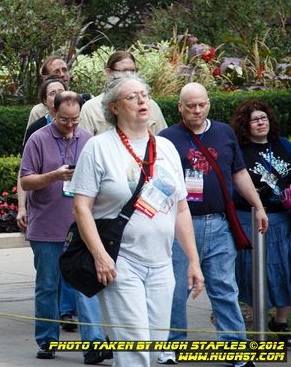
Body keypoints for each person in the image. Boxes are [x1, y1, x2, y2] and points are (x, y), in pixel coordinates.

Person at [71, 75, 204, 367]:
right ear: (114, 107)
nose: (142, 101)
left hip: (161, 263)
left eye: (144, 94)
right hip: (121, 262)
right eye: (132, 97)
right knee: (133, 348)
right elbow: (81, 208)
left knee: (154, 345)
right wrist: (100, 256)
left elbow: (180, 208)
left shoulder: (166, 148)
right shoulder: (98, 147)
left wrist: (193, 260)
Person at [159, 83, 268, 367]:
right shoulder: (166, 138)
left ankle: (235, 349)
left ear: (208, 104)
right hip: (181, 227)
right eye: (190, 106)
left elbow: (239, 172)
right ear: (180, 107)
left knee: (224, 287)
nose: (196, 110)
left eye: (201, 105)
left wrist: (258, 205)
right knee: (176, 288)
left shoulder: (224, 132)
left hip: (219, 225)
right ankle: (171, 345)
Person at [20, 91, 109, 364]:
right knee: (47, 286)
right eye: (64, 120)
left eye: (75, 120)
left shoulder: (89, 140)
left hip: (81, 227)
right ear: (52, 113)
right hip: (46, 227)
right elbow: (25, 182)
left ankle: (94, 343)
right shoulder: (38, 139)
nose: (70, 125)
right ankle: (47, 340)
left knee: (86, 285)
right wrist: (53, 176)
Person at [230, 99, 291, 346]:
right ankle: (259, 324)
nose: (260, 122)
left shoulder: (284, 145)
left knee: (285, 270)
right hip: (251, 220)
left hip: (282, 220)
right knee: (254, 272)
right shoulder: (240, 151)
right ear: (246, 124)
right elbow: (233, 186)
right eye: (255, 119)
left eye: (263, 117)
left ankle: (280, 321)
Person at [79, 51, 167, 135]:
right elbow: (83, 144)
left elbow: (162, 139)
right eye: (123, 71)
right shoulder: (91, 108)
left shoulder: (150, 105)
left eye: (133, 71)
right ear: (109, 72)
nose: (129, 76)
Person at [26, 56, 71, 127]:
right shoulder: (38, 111)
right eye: (56, 72)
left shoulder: (82, 103)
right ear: (45, 78)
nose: (62, 74)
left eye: (65, 70)